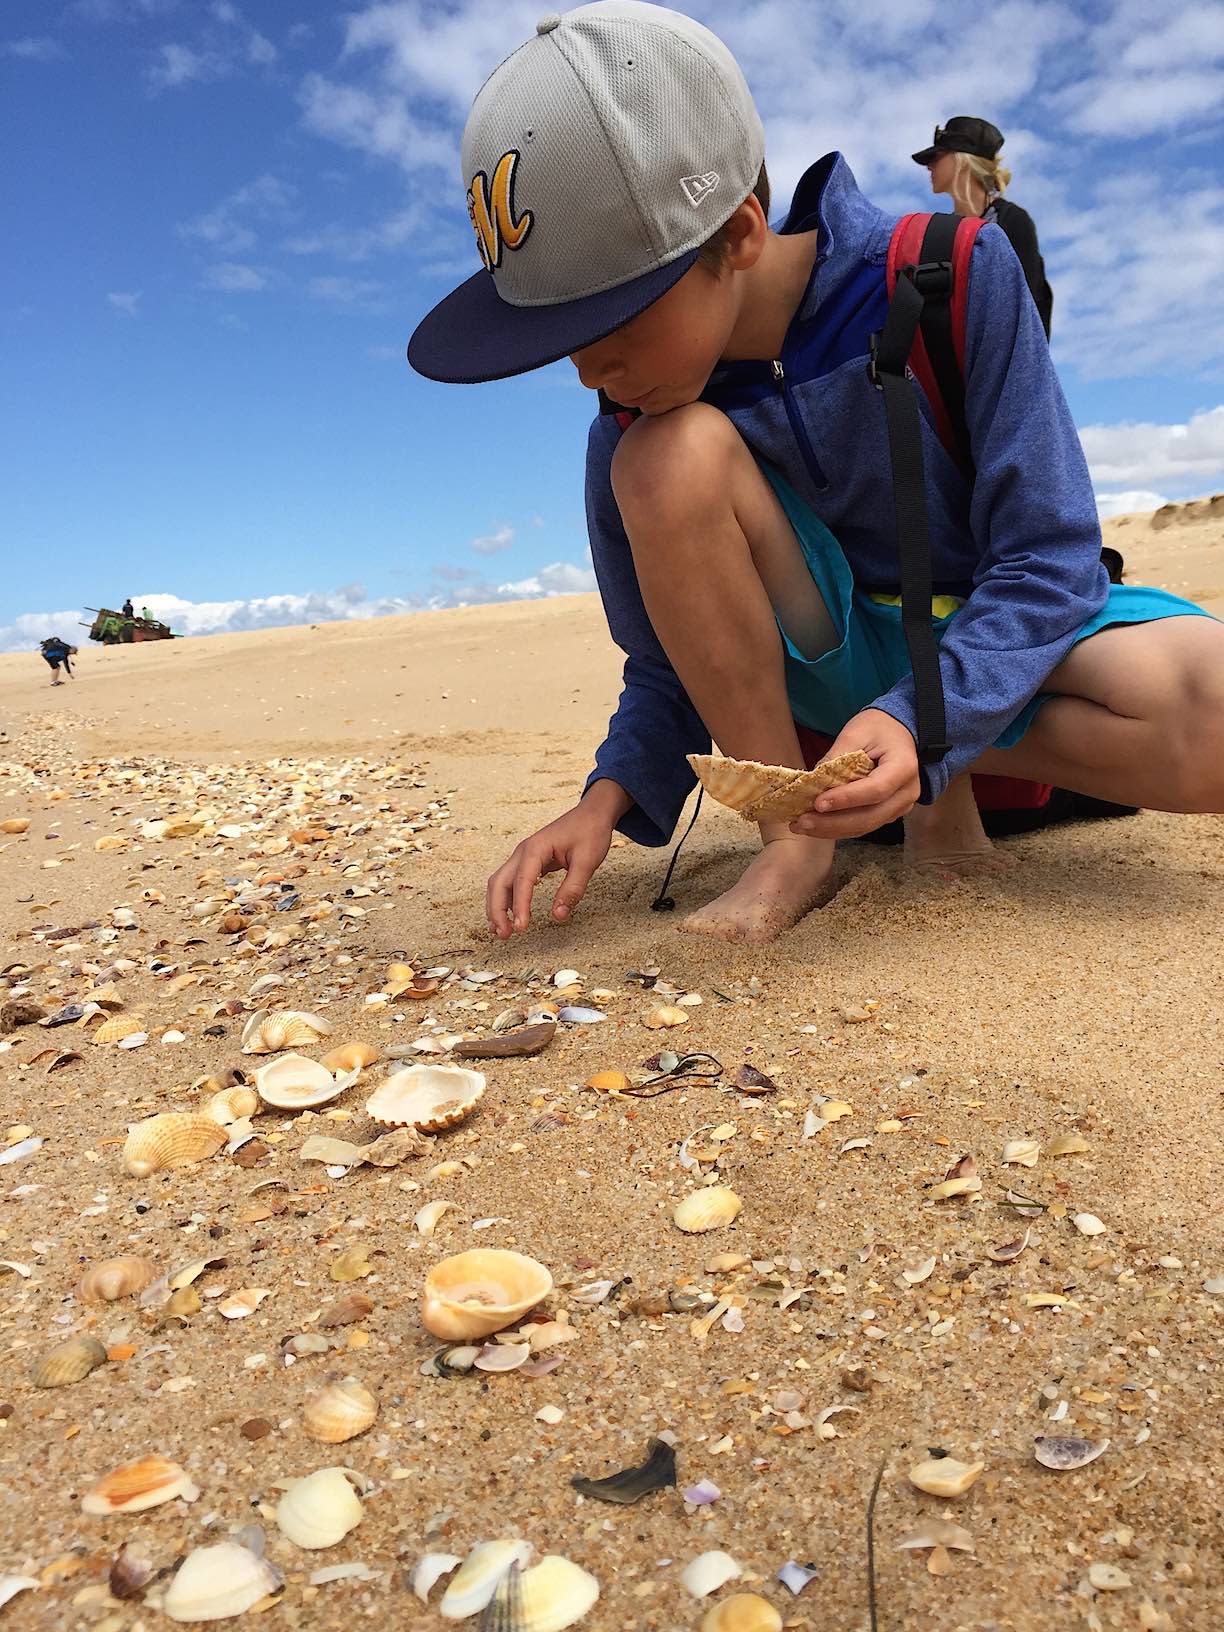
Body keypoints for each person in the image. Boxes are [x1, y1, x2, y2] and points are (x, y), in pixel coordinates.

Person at [408, 2, 1223, 945]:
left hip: (994, 655)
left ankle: (941, 782)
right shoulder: (636, 416)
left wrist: (924, 721)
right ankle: (792, 841)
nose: (590, 369)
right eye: (560, 337)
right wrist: (605, 798)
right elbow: (665, 662)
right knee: (666, 458)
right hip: (816, 728)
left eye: (614, 317)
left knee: (1210, 702)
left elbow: (1048, 558)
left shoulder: (948, 274)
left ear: (739, 232)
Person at [912, 117, 1053, 337]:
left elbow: (1028, 313)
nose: (929, 166)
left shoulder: (1012, 221)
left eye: (937, 156)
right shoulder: (943, 233)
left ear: (961, 160)